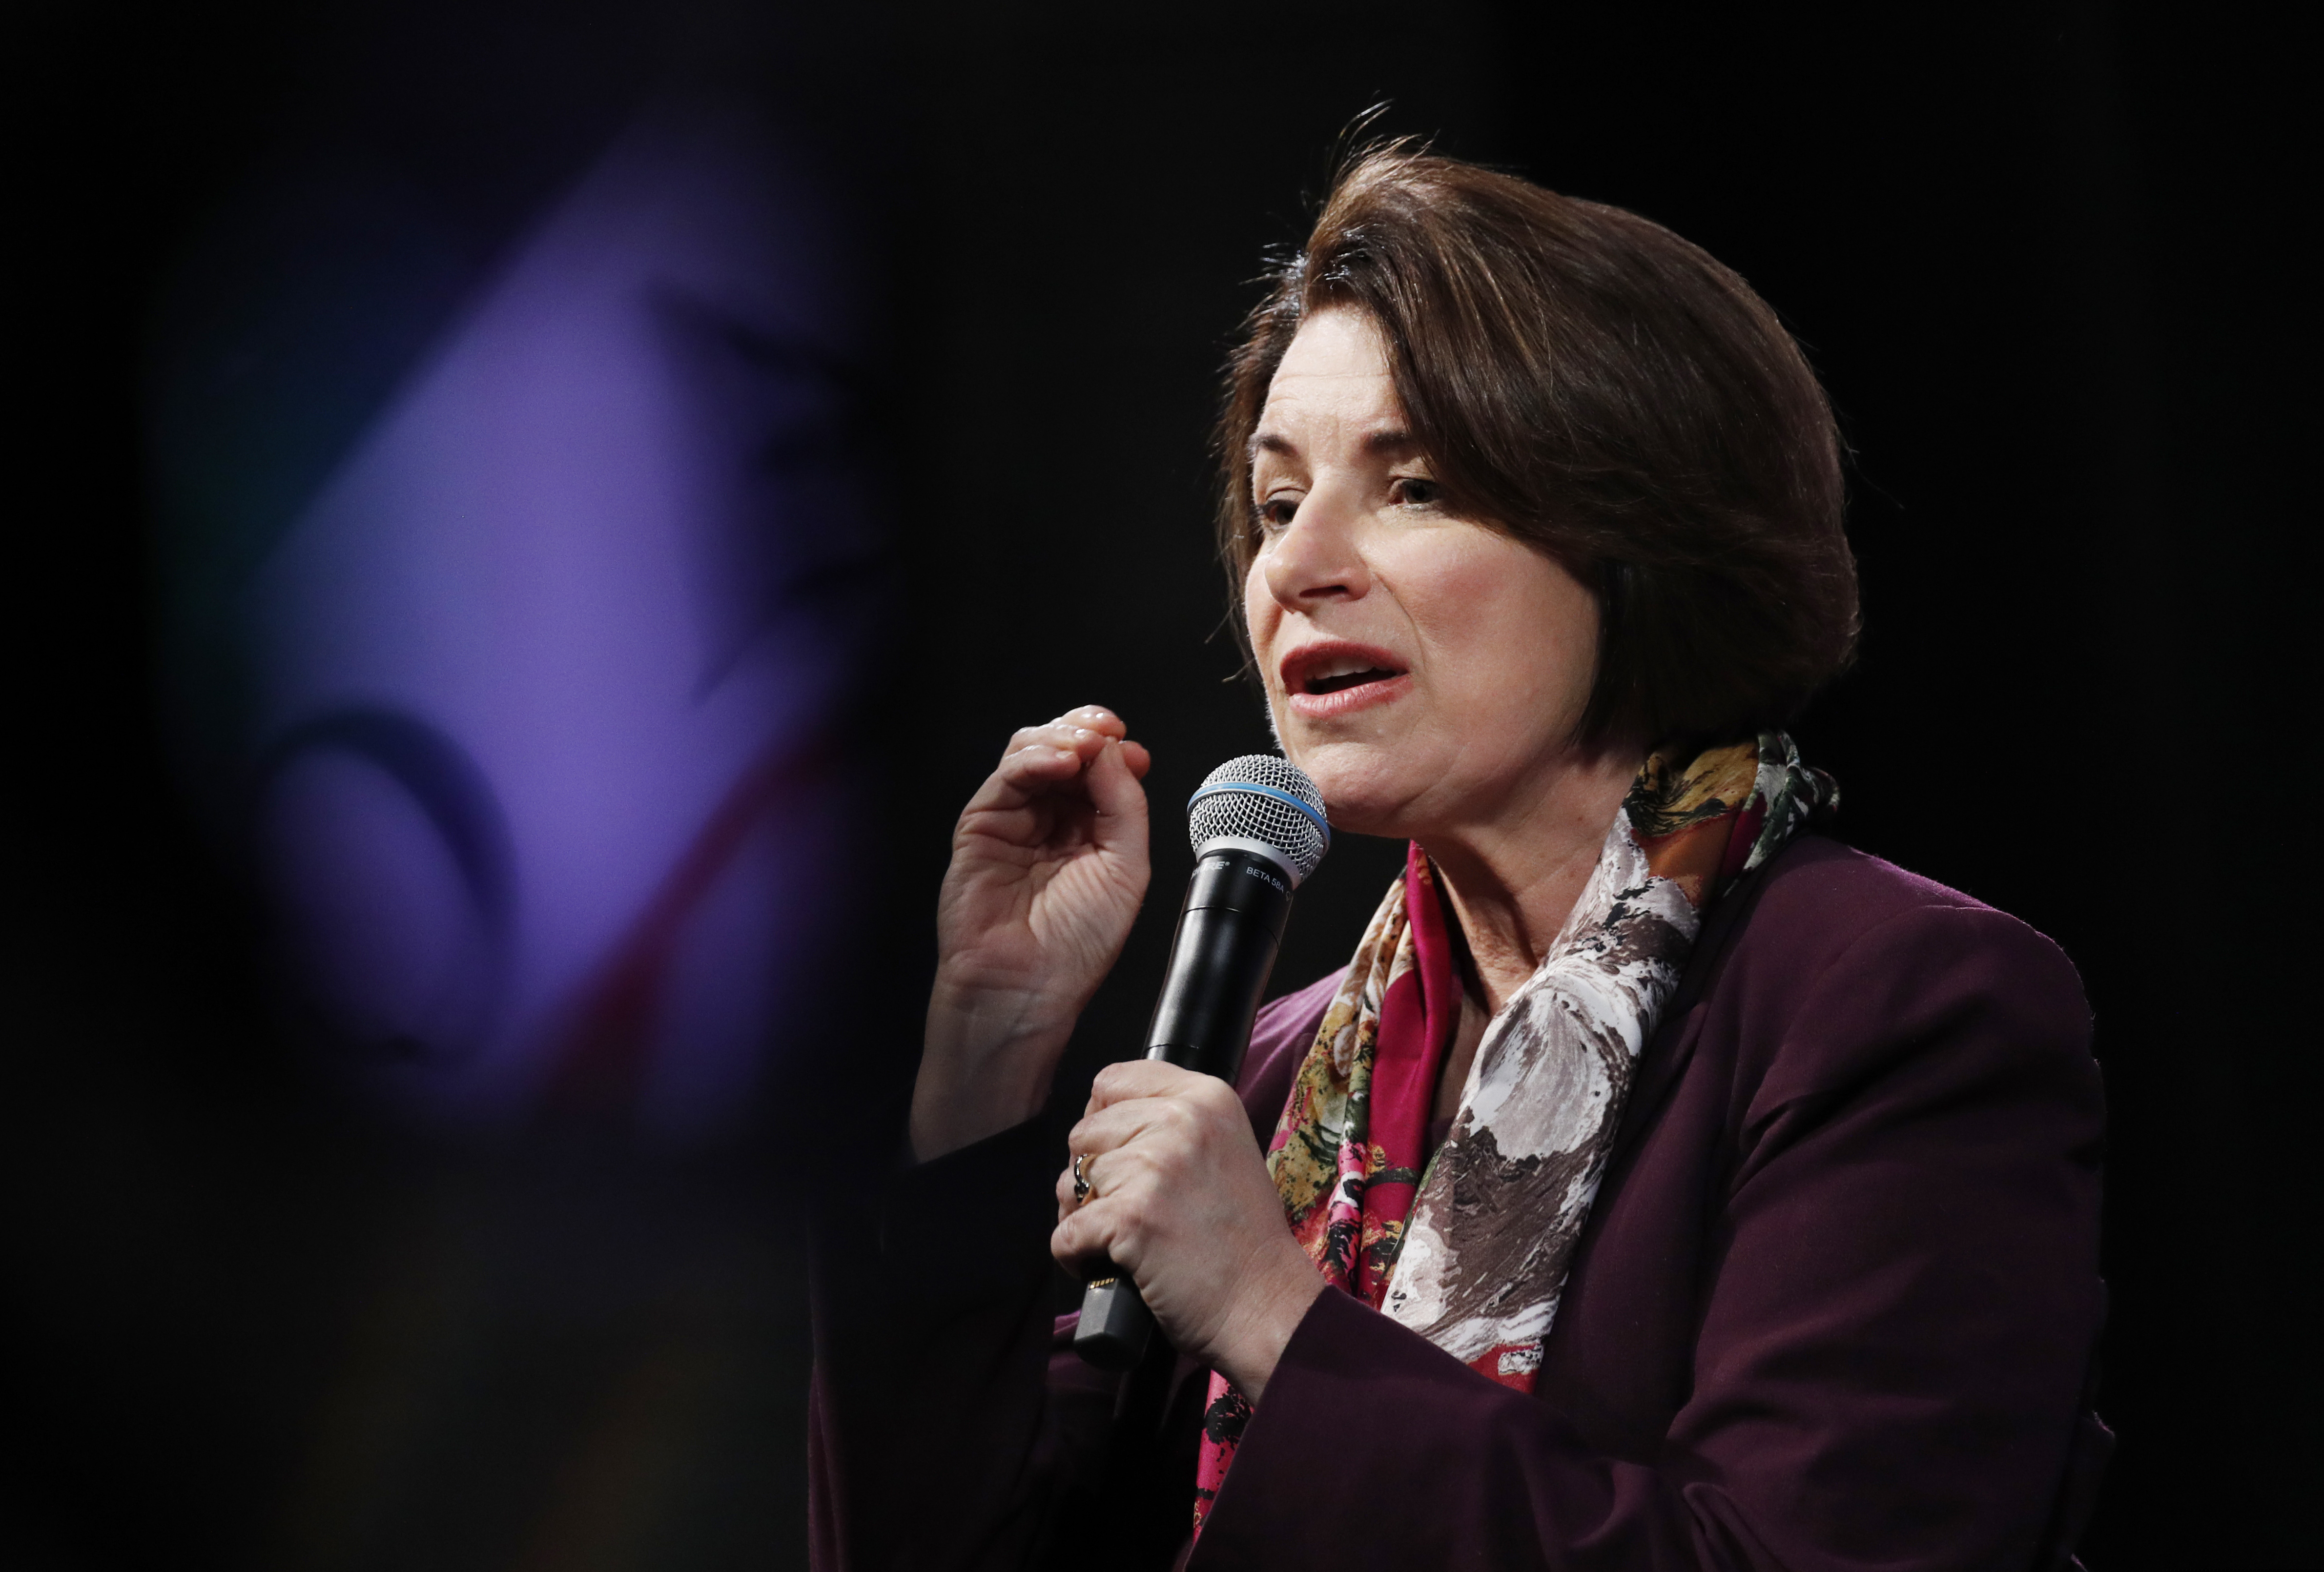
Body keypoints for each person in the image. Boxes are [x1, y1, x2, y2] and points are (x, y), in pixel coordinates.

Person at [809, 145, 2108, 1572]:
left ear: (1642, 539)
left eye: (1414, 486)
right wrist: (986, 1048)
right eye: (1279, 497)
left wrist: (1272, 1314)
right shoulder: (1284, 1077)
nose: (1301, 564)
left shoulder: (1890, 1002)